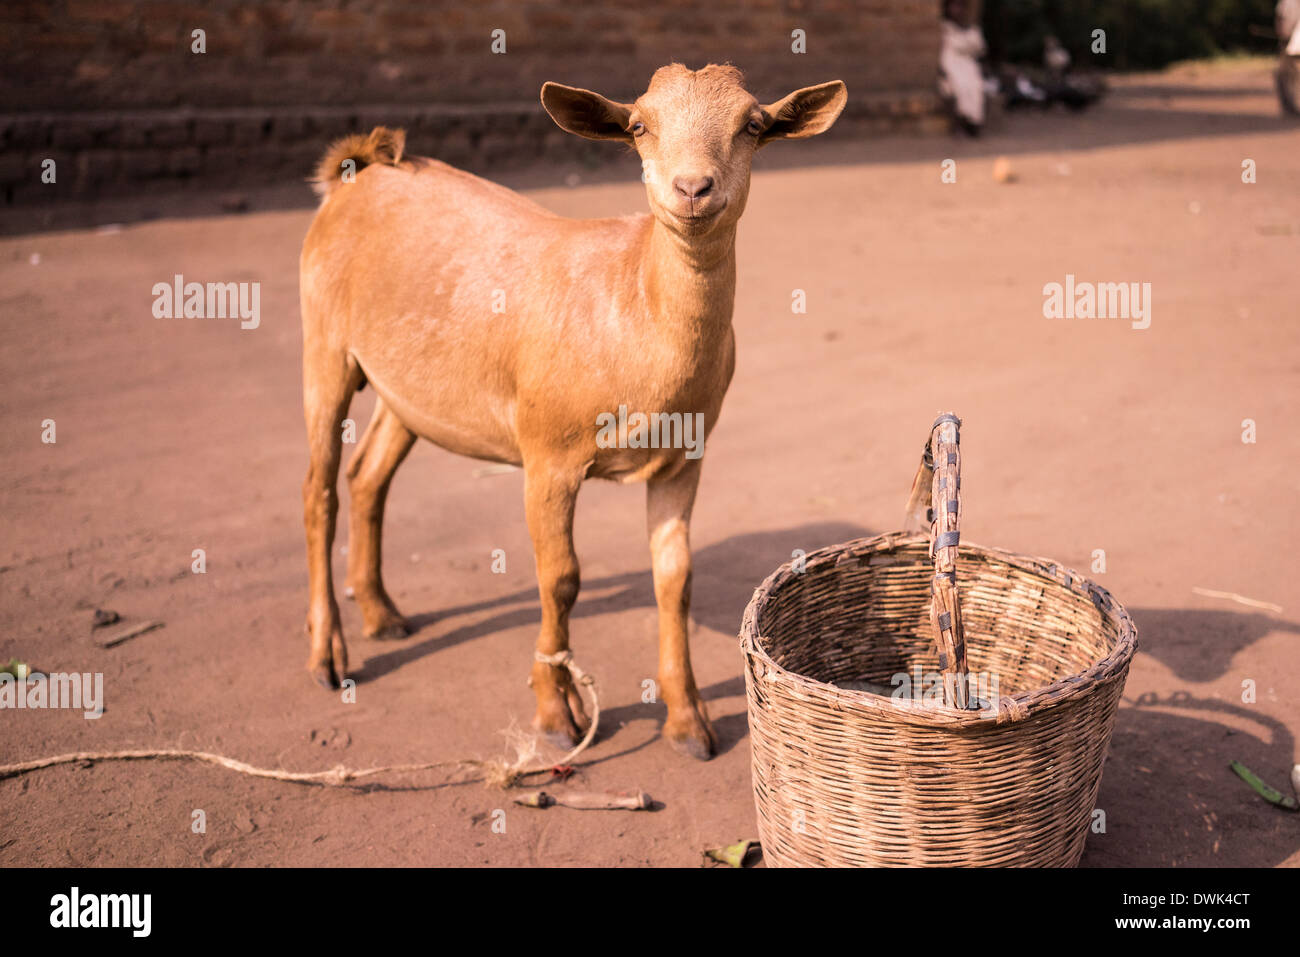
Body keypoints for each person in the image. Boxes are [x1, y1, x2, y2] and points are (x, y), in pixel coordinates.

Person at [938, 0, 989, 135]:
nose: (957, 10)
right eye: (954, 6)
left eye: (959, 6)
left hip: (968, 66)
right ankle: (961, 124)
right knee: (957, 87)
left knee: (975, 87)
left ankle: (974, 123)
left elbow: (979, 47)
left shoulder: (970, 29)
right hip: (952, 66)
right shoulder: (945, 28)